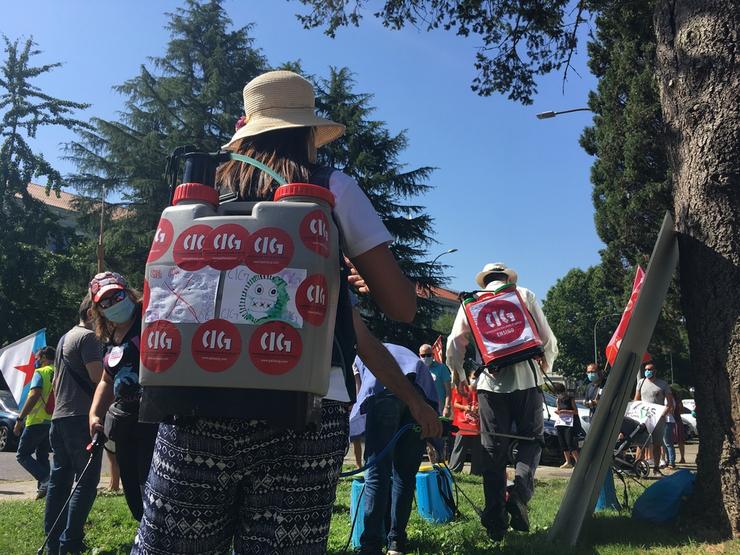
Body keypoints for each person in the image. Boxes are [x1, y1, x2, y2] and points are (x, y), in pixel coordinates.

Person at [133, 70, 438, 554]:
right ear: (307, 134)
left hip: (194, 398)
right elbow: (399, 307)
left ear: (247, 127)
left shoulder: (203, 187)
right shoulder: (331, 186)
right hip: (307, 407)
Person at [447, 262, 558, 541]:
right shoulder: (524, 294)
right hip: (527, 381)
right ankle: (519, 494)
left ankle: (496, 520)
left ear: (485, 281)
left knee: (493, 449)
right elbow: (547, 339)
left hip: (490, 385)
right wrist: (547, 366)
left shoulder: (473, 301)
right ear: (507, 278)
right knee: (532, 441)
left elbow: (454, 343)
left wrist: (458, 373)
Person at [354, 343, 439, 555]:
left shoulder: (359, 352)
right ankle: (396, 543)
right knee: (405, 475)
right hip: (418, 395)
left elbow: (360, 391)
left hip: (383, 392)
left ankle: (371, 545)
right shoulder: (404, 353)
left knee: (376, 474)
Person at [88, 271, 158, 521]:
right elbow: (107, 379)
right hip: (125, 423)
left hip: (153, 419)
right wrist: (94, 413)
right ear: (98, 309)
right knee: (133, 494)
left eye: (117, 295)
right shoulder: (110, 337)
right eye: (104, 302)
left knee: (154, 489)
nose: (113, 304)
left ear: (128, 292)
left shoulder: (148, 319)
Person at [44, 293, 104, 555]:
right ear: (91, 314)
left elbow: (57, 383)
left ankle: (53, 541)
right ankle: (71, 542)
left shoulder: (63, 339)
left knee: (59, 480)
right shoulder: (89, 337)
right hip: (82, 417)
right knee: (86, 481)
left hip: (59, 417)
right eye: (102, 314)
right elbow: (97, 377)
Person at [13, 346, 55, 499]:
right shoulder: (58, 371)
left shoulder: (40, 372)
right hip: (51, 421)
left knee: (22, 455)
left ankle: (46, 480)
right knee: (42, 455)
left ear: (44, 358)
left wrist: (20, 418)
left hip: (36, 420)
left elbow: (34, 395)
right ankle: (45, 490)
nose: (36, 361)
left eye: (37, 358)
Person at [634, 363, 674, 476]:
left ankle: (656, 468)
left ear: (655, 371)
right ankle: (638, 467)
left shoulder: (663, 384)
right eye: (646, 369)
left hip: (658, 419)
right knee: (640, 443)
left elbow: (670, 403)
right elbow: (636, 399)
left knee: (657, 444)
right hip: (643, 418)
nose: (648, 371)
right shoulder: (641, 382)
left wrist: (663, 414)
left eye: (650, 369)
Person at [448, 369, 483, 475]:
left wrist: (479, 408)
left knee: (478, 450)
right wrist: (465, 407)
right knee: (459, 448)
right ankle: (454, 470)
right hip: (463, 424)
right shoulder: (462, 389)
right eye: (473, 378)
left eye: (477, 378)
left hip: (477, 425)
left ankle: (476, 472)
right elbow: (454, 403)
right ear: (468, 378)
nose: (475, 380)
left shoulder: (482, 391)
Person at [552, 383, 579, 469]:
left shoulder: (570, 399)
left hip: (570, 423)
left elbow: (575, 411)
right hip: (561, 422)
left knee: (570, 442)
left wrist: (565, 411)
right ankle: (568, 461)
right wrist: (558, 411)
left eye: (559, 393)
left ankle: (578, 461)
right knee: (562, 442)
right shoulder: (558, 400)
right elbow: (558, 409)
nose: (559, 395)